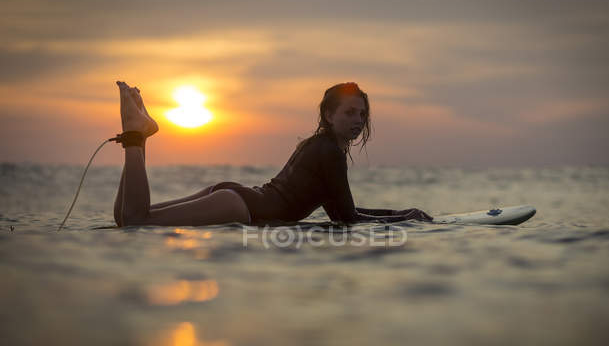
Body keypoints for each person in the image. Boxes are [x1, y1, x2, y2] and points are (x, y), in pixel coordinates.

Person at [113, 81, 433, 227]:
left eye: (362, 115)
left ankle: (140, 136)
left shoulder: (317, 145)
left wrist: (400, 212)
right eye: (350, 113)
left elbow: (342, 208)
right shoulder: (330, 153)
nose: (358, 121)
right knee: (136, 221)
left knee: (126, 218)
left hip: (235, 197)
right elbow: (346, 219)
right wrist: (404, 218)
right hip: (241, 208)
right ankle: (135, 136)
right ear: (328, 115)